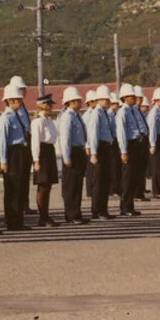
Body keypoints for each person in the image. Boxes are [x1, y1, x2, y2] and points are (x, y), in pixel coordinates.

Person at [59, 86, 90, 224]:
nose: (80, 102)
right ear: (71, 102)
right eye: (78, 100)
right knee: (71, 185)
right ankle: (71, 214)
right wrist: (66, 157)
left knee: (77, 184)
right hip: (72, 151)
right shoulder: (67, 117)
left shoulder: (77, 116)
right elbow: (65, 139)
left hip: (79, 150)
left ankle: (77, 212)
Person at [30, 94, 60, 227]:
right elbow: (35, 142)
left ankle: (46, 215)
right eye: (49, 104)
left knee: (48, 186)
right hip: (42, 152)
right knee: (43, 186)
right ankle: (42, 216)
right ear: (44, 106)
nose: (51, 107)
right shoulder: (38, 122)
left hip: (49, 151)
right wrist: (36, 160)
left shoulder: (49, 121)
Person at [87, 85, 115, 219]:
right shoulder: (96, 114)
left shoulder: (104, 113)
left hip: (107, 146)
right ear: (100, 99)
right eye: (106, 99)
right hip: (100, 147)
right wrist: (93, 153)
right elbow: (93, 134)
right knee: (99, 181)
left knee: (105, 180)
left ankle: (103, 209)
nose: (109, 102)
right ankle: (97, 210)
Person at [116, 83, 144, 217]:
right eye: (132, 96)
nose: (135, 98)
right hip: (129, 145)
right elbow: (121, 133)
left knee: (133, 177)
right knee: (127, 178)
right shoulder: (123, 112)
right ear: (126, 98)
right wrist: (124, 151)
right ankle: (125, 206)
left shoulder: (134, 110)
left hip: (137, 144)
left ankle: (130, 206)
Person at [9, 75, 34, 215]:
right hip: (17, 145)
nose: (23, 91)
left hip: (26, 141)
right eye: (20, 89)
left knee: (25, 176)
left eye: (24, 89)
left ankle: (24, 204)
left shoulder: (22, 106)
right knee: (18, 178)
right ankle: (20, 205)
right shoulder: (14, 109)